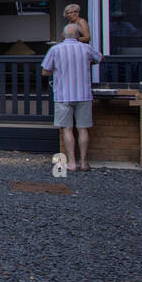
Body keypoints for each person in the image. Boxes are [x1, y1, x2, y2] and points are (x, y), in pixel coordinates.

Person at [42, 23, 103, 172]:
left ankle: (71, 162)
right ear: (78, 36)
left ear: (63, 35)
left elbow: (45, 71)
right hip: (83, 93)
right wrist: (89, 62)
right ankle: (83, 163)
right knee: (83, 129)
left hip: (63, 94)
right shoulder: (86, 48)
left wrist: (57, 71)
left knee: (67, 129)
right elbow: (100, 58)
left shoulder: (55, 49)